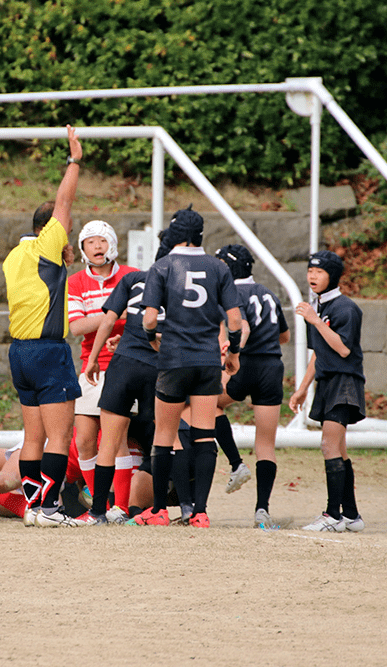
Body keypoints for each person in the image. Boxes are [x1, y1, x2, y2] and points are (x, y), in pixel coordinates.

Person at [134, 207, 242, 528]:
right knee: (205, 436)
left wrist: (152, 338)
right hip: (207, 361)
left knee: (165, 435)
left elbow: (149, 318)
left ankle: (159, 510)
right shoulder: (218, 267)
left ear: (174, 235)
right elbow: (234, 320)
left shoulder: (162, 266)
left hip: (174, 359)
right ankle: (201, 513)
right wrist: (234, 353)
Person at [1, 124, 85, 528]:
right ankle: (50, 508)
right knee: (59, 437)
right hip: (48, 352)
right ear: (49, 228)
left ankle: (34, 507)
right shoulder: (47, 243)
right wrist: (74, 160)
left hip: (19, 352)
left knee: (32, 438)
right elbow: (63, 201)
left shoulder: (14, 256)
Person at [288, 250, 366, 533]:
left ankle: (333, 515)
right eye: (310, 270)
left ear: (332, 276)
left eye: (319, 272)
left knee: (328, 446)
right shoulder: (317, 308)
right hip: (327, 383)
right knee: (339, 450)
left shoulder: (345, 309)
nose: (312, 276)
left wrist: (316, 320)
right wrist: (302, 389)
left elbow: (343, 349)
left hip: (344, 383)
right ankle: (352, 516)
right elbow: (318, 353)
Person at [214, 244, 290, 528]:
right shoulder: (268, 293)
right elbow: (285, 336)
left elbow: (242, 327)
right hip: (271, 367)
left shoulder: (232, 293)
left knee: (208, 405)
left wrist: (234, 352)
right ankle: (262, 510)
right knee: (266, 445)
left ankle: (236, 464)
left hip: (245, 364)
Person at [67, 219, 136, 511]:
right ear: (82, 248)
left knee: (116, 440)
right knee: (84, 440)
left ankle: (120, 507)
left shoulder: (131, 276)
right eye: (90, 242)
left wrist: (111, 323)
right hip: (90, 367)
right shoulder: (75, 282)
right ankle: (101, 507)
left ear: (113, 244)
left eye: (103, 240)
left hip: (124, 366)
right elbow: (76, 327)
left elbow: (144, 318)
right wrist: (114, 314)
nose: (97, 246)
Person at [83, 266, 158, 524]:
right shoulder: (180, 283)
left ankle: (97, 512)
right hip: (157, 367)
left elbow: (108, 321)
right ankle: (174, 509)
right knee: (165, 440)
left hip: (124, 363)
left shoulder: (133, 278)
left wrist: (93, 359)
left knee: (109, 442)